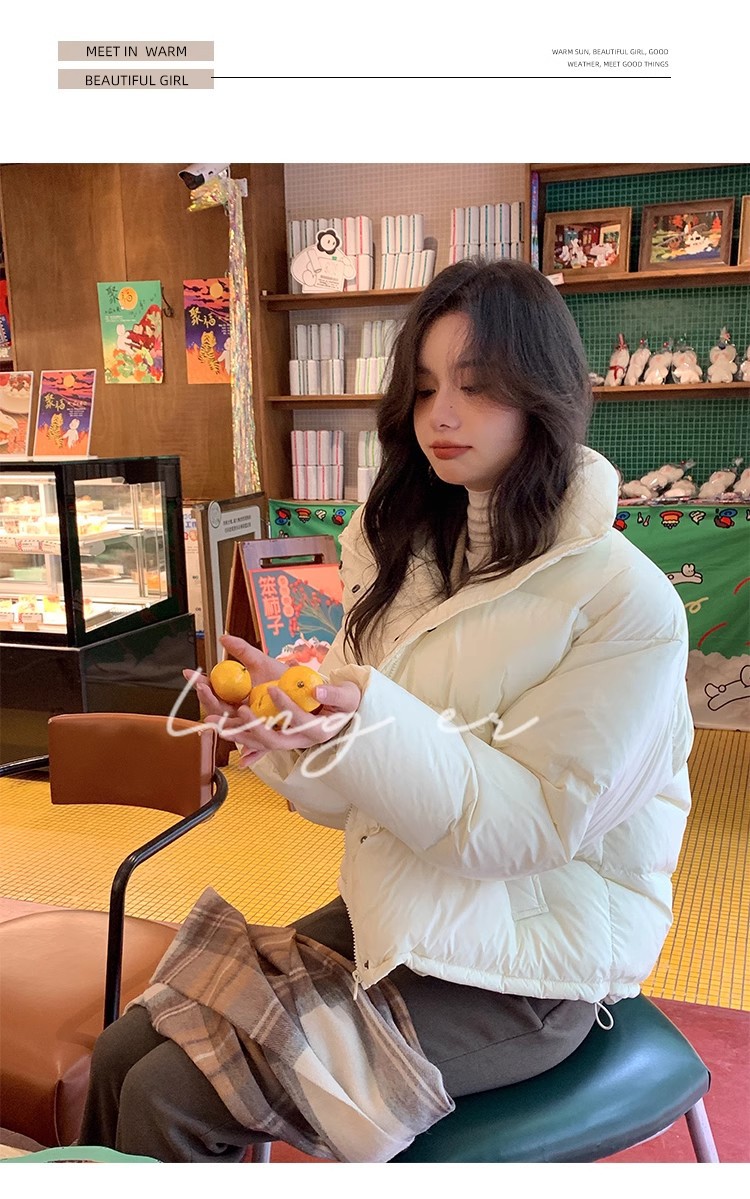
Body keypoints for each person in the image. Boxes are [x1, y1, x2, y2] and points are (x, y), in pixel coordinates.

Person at [79, 259, 693, 1162]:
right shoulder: (406, 558)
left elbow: (527, 826)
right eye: (425, 387)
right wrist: (286, 736)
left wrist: (361, 720)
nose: (441, 415)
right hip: (404, 910)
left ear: (544, 395)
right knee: (123, 1050)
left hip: (535, 963)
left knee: (170, 1093)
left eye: (476, 386)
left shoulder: (625, 604)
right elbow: (353, 798)